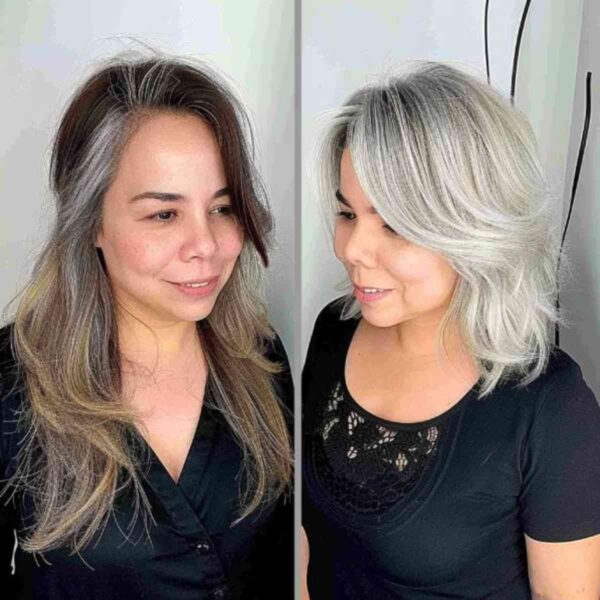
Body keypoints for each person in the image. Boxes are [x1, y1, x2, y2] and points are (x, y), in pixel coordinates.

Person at [0, 51, 293, 599]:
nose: (205, 245)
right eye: (164, 214)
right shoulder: (13, 385)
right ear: (91, 223)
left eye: (223, 208)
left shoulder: (262, 360)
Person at [302, 61, 600, 599]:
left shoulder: (551, 408)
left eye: (394, 224)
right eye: (348, 215)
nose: (352, 249)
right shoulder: (334, 331)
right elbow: (311, 541)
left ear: (472, 228)